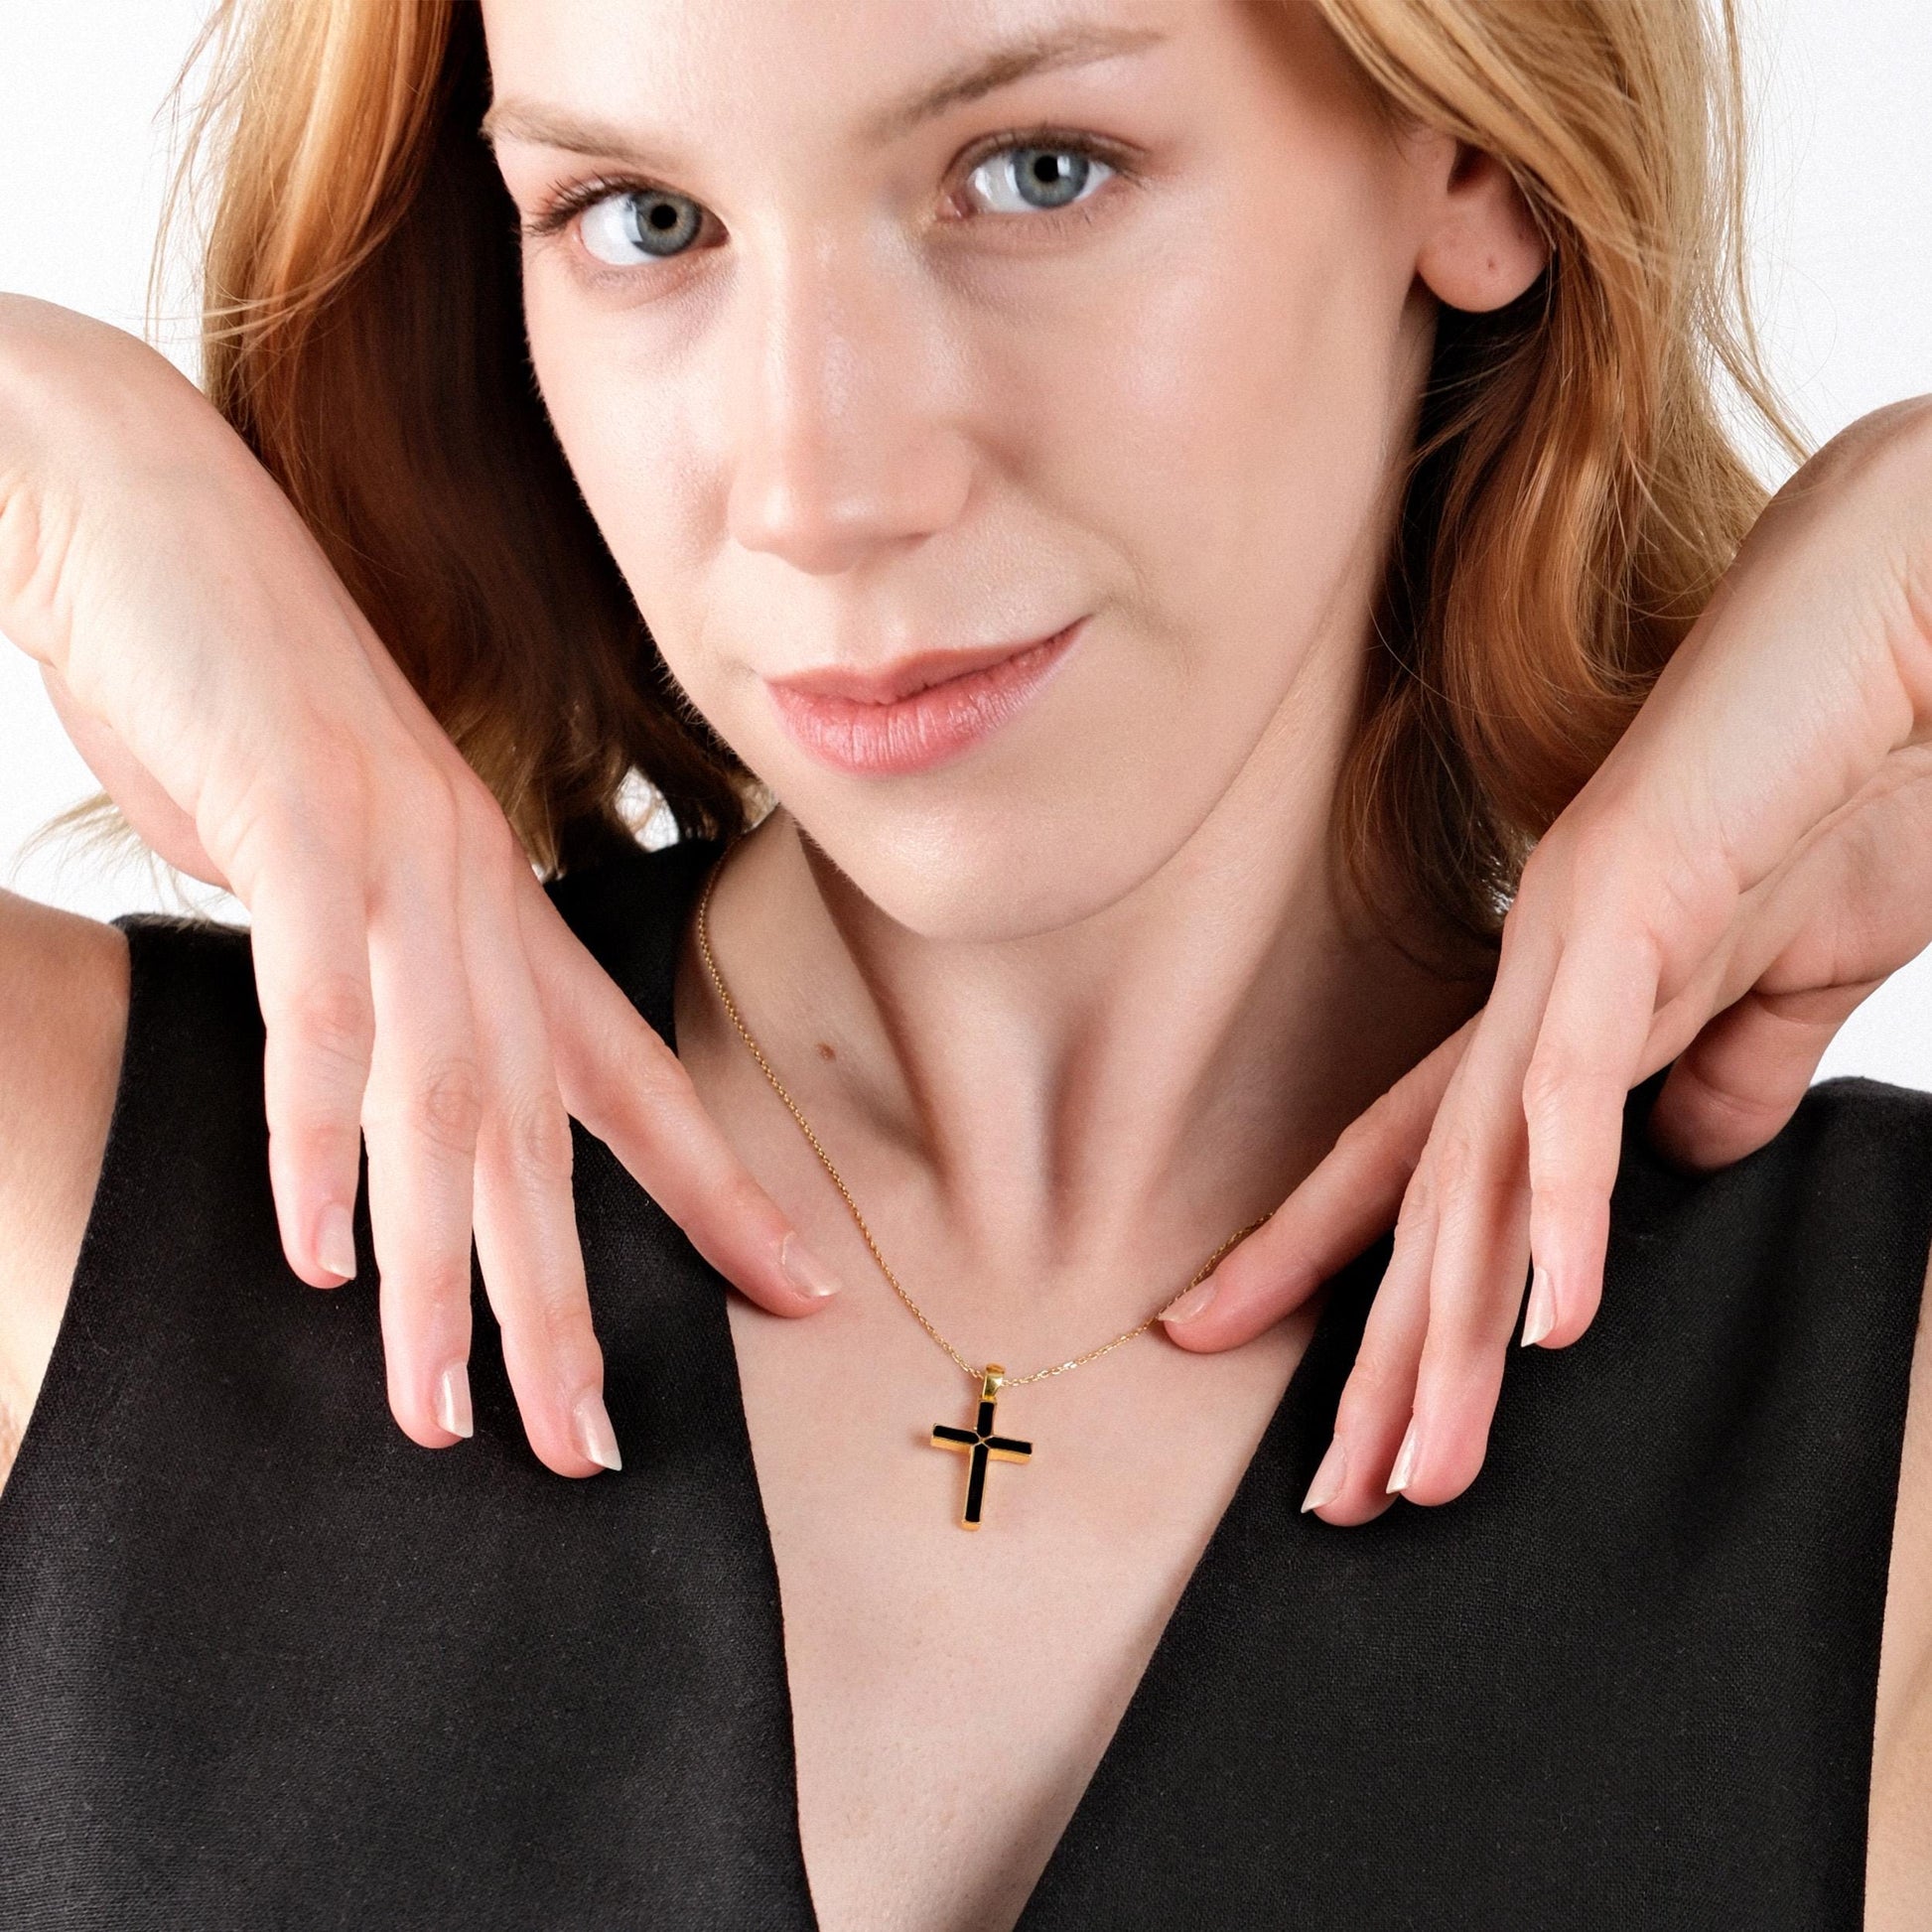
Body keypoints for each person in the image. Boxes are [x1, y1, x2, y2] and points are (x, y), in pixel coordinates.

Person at [1, 0, 1929, 1925]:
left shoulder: (1878, 1424)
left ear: (1470, 152)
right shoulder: (77, 1196)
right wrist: (59, 461)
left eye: (1034, 173)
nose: (818, 492)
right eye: (641, 218)